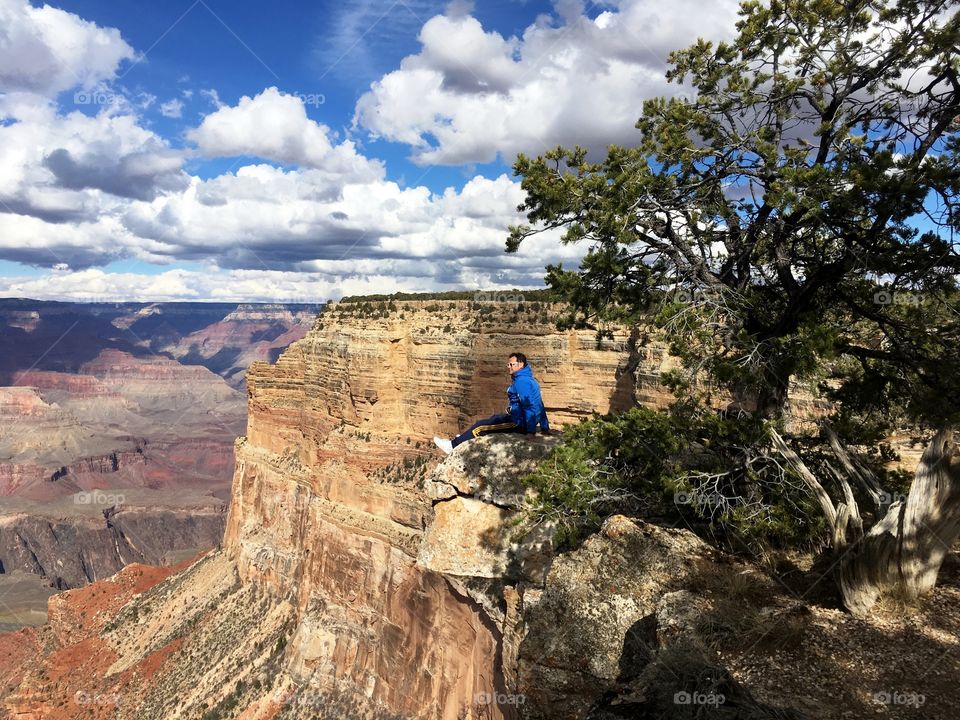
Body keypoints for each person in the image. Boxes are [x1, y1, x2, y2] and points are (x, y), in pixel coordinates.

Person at [433, 352, 550, 454]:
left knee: (480, 426)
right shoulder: (529, 379)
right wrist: (545, 427)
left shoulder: (522, 382)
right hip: (518, 417)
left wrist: (530, 432)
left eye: (511, 364)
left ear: (521, 365)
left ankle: (453, 446)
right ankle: (464, 437)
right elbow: (539, 403)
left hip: (519, 422)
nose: (508, 366)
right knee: (495, 417)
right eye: (508, 364)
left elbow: (529, 405)